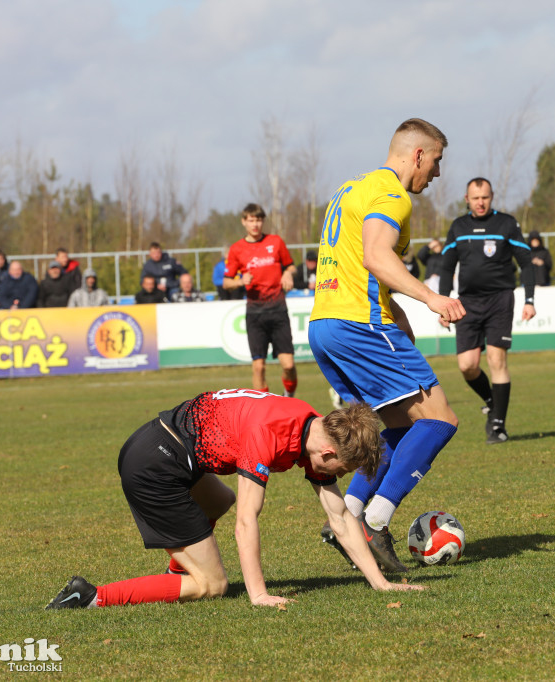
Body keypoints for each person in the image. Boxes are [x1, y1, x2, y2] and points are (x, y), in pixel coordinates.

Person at [46, 390, 425, 610]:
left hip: (166, 448)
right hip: (154, 464)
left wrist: (381, 583)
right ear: (328, 453)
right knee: (212, 586)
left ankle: (177, 574)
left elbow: (339, 515)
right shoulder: (271, 433)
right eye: (342, 470)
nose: (338, 478)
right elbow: (247, 522)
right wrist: (258, 594)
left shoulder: (311, 424)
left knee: (218, 501)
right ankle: (91, 597)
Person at [309, 118, 465, 573]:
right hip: (360, 325)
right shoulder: (391, 194)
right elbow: (376, 258)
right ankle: (377, 521)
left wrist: (402, 326)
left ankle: (351, 514)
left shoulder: (349, 190)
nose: (436, 174)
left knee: (397, 429)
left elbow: (366, 270)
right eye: (436, 162)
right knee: (440, 421)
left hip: (326, 325)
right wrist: (433, 297)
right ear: (417, 155)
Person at [438, 178, 536, 444]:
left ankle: (498, 425)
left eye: (485, 197)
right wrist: (443, 303)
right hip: (467, 303)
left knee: (496, 360)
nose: (480, 202)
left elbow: (526, 263)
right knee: (467, 366)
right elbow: (447, 268)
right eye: (475, 198)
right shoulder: (458, 227)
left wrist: (529, 299)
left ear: (492, 197)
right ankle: (492, 401)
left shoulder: (506, 224)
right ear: (466, 199)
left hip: (499, 300)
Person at [222, 203, 299, 397]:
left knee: (288, 365)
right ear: (244, 222)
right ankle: (263, 410)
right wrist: (240, 281)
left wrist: (288, 274)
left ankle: (288, 398)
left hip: (278, 310)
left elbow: (291, 267)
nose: (255, 224)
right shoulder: (237, 249)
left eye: (258, 220)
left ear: (262, 221)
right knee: (258, 367)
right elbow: (225, 282)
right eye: (251, 220)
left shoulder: (276, 242)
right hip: (255, 313)